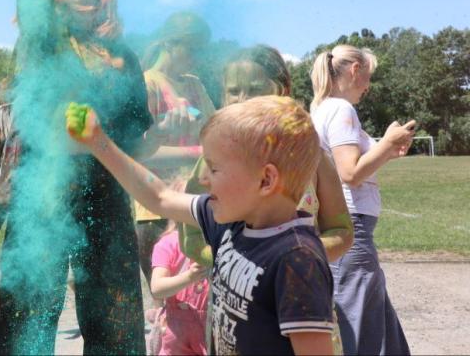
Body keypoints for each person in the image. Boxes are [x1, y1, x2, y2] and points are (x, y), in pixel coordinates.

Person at [0, 0, 170, 354]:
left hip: (107, 193)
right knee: (26, 324)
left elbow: (139, 140)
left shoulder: (123, 57)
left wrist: (177, 143)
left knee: (115, 325)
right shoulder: (42, 37)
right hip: (41, 194)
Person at [67, 95, 337, 355]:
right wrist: (97, 141)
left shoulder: (297, 263)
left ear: (266, 180)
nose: (204, 180)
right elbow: (160, 197)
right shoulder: (232, 224)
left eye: (214, 169)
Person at [178, 45, 354, 353]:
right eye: (233, 91)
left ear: (282, 90)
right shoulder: (211, 162)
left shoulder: (311, 157)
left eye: (256, 89)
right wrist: (234, 261)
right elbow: (190, 237)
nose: (243, 99)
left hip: (301, 308)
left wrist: (294, 258)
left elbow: (342, 229)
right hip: (238, 316)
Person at [310, 45, 415, 355]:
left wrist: (386, 150)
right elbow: (350, 172)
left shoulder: (322, 108)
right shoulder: (341, 110)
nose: (368, 86)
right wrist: (388, 143)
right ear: (355, 70)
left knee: (380, 324)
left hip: (346, 227)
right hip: (351, 229)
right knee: (358, 328)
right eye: (368, 76)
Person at [136, 12, 216, 292]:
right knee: (170, 304)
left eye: (202, 50)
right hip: (156, 211)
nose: (198, 56)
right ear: (169, 44)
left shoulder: (194, 84)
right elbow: (140, 153)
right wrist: (199, 153)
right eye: (192, 48)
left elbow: (214, 129)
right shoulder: (147, 84)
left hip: (197, 204)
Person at [149, 220, 209, 356]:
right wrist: (189, 277)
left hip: (210, 325)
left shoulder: (219, 241)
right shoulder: (168, 243)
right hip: (176, 330)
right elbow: (157, 288)